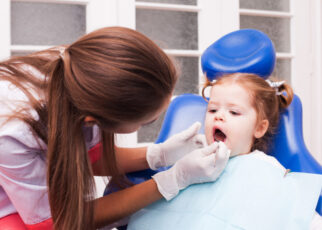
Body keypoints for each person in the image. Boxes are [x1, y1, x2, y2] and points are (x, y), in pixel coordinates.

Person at [0, 26, 231, 229]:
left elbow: (91, 157)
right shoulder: (12, 134)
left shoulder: (84, 75)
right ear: (93, 119)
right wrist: (173, 180)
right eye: (146, 122)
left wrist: (161, 154)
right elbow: (52, 223)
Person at [127, 72, 322, 230]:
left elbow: (299, 215)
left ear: (259, 128)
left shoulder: (265, 168)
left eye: (234, 112)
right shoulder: (190, 164)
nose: (219, 116)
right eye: (212, 110)